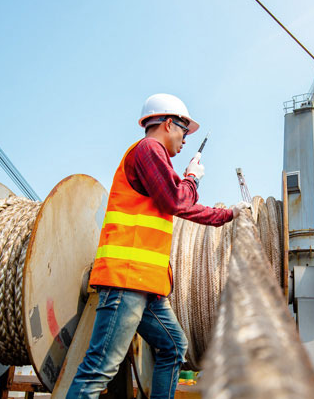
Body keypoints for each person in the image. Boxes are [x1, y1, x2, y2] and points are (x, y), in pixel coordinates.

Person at [67, 93, 248, 399]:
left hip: (147, 285)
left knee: (173, 346)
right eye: (184, 130)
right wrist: (194, 180)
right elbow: (178, 200)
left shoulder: (154, 159)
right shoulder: (149, 149)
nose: (186, 138)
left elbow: (178, 200)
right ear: (167, 124)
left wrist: (218, 207)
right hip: (127, 279)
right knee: (99, 369)